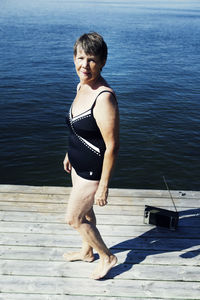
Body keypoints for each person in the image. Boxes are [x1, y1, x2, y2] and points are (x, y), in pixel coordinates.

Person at [63, 32, 119, 280]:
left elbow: (112, 145)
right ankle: (87, 252)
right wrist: (69, 154)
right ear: (74, 58)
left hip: (92, 170)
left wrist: (103, 186)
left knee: (74, 219)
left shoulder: (103, 97)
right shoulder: (82, 85)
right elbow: (80, 127)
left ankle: (107, 257)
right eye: (81, 57)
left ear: (102, 62)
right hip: (77, 164)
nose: (85, 65)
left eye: (92, 60)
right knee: (85, 214)